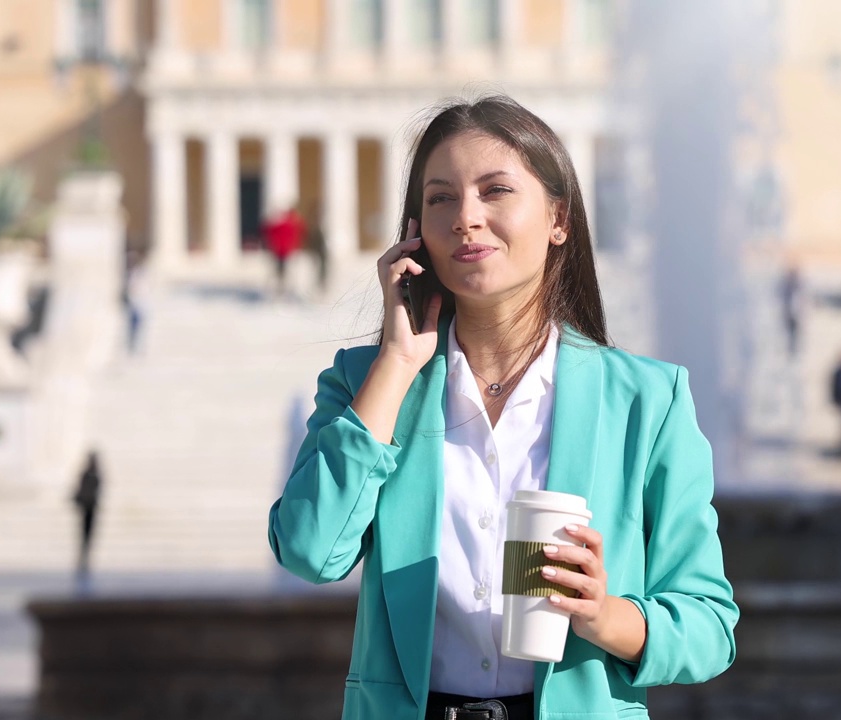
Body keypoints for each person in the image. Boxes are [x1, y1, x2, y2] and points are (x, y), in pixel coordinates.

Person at [268, 96, 738, 720]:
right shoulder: (367, 383)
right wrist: (397, 363)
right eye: (440, 198)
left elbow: (710, 629)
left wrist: (603, 613)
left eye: (495, 191)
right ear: (414, 233)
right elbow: (309, 550)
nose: (466, 217)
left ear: (558, 218)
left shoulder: (649, 402)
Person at [264, 206, 306, 298]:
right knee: (281, 272)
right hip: (282, 252)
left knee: (283, 272)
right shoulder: (288, 225)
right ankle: (280, 289)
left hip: (285, 252)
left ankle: (282, 289)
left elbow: (268, 231)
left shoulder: (285, 225)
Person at [72, 452, 102, 575]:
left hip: (90, 509)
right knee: (84, 535)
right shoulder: (88, 475)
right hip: (86, 508)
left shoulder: (95, 475)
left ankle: (85, 558)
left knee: (88, 535)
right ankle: (83, 558)